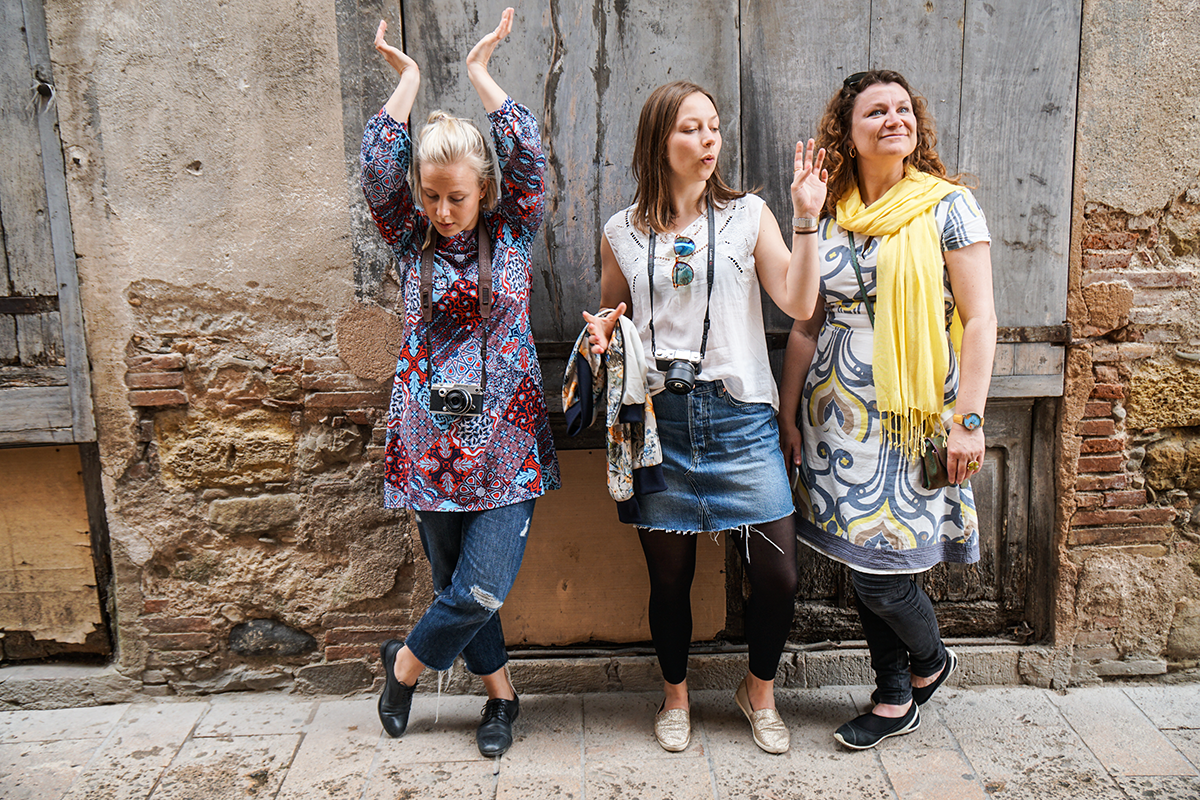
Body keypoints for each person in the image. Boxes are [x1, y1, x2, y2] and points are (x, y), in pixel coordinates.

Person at [583, 80, 826, 754]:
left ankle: (758, 692)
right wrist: (603, 336)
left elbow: (799, 302)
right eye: (691, 128)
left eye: (713, 126)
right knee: (670, 580)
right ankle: (675, 696)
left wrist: (807, 219)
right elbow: (613, 315)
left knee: (778, 576)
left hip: (741, 417)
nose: (708, 139)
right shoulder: (620, 231)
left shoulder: (750, 215)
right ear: (658, 141)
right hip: (658, 423)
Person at [359, 8, 559, 758]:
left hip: (507, 443)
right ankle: (501, 700)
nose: (443, 212)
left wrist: (480, 73)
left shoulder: (512, 232)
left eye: (457, 197)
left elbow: (528, 152)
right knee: (457, 586)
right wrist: (409, 79)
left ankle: (404, 667)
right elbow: (377, 166)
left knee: (480, 586)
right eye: (432, 196)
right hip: (429, 442)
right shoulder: (408, 235)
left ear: (484, 192)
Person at [777, 69, 997, 750]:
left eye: (903, 109)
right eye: (876, 111)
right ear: (847, 132)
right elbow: (805, 324)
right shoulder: (829, 210)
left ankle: (930, 660)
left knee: (884, 577)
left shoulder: (947, 206)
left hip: (913, 418)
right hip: (836, 419)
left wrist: (969, 420)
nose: (895, 119)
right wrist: (788, 413)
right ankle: (895, 695)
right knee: (864, 561)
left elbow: (981, 319)